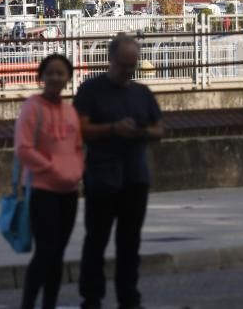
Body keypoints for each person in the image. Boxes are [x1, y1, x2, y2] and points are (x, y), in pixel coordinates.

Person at [74, 34, 164, 309]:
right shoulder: (90, 90)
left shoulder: (142, 93)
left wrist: (141, 132)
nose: (128, 71)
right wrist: (113, 129)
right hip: (101, 178)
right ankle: (92, 298)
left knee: (130, 243)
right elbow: (79, 128)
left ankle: (129, 297)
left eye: (132, 66)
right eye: (124, 65)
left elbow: (160, 129)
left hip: (135, 178)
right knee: (96, 241)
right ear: (110, 60)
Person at [15, 54, 84, 309]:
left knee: (57, 255)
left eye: (61, 73)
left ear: (68, 78)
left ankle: (49, 304)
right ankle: (28, 304)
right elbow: (23, 149)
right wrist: (53, 169)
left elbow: (77, 146)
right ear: (41, 76)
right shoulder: (32, 107)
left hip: (68, 190)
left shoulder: (69, 110)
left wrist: (76, 171)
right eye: (50, 73)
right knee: (45, 252)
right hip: (42, 189)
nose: (55, 77)